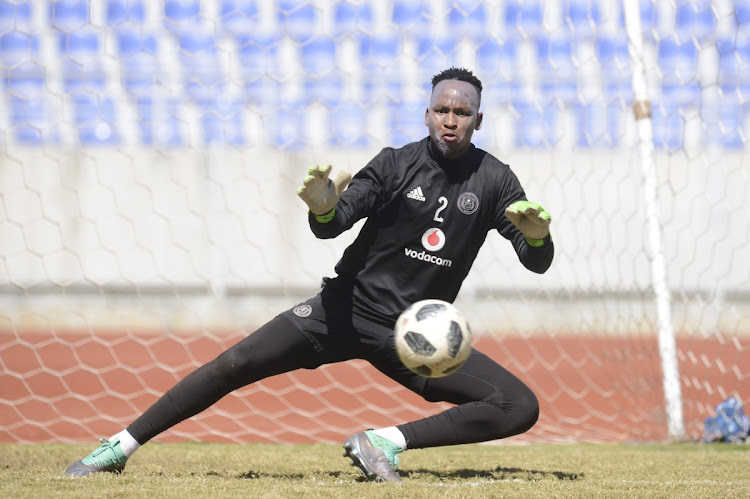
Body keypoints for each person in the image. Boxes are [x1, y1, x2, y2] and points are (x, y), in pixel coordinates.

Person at [64, 67, 554, 482]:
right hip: (341, 311)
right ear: (427, 114)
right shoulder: (394, 164)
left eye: (462, 113)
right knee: (235, 363)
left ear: (478, 120)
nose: (451, 121)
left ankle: (382, 442)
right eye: (442, 110)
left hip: (413, 337)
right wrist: (323, 209)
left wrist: (537, 239)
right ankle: (119, 446)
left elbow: (536, 261)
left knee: (518, 405)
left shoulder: (495, 180)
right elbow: (335, 222)